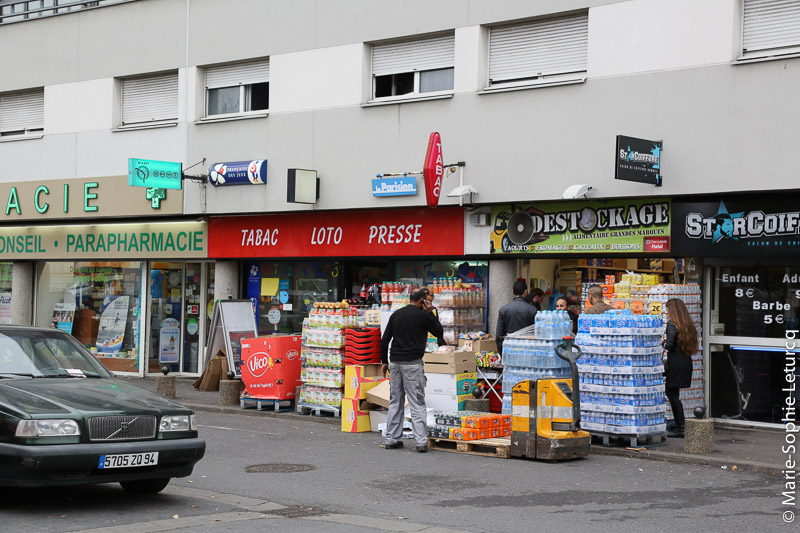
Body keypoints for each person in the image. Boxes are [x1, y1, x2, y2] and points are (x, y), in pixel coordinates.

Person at [380, 288, 444, 453]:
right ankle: (421, 442)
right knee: (417, 402)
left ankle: (391, 439)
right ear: (422, 300)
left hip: (395, 363)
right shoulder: (423, 316)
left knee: (395, 401)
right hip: (412, 364)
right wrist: (430, 314)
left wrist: (384, 361)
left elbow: (385, 340)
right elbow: (439, 332)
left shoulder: (396, 314)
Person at [663, 298, 697, 438]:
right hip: (685, 360)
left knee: (672, 394)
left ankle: (681, 427)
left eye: (668, 309)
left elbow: (669, 345)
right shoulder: (687, 324)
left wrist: (662, 341)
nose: (667, 312)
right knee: (674, 394)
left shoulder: (672, 324)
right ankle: (680, 426)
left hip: (675, 362)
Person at [496, 280, 537, 354]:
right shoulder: (532, 309)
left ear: (512, 291)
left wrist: (502, 353)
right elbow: (536, 333)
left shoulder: (503, 310)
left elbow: (499, 335)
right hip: (527, 349)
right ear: (525, 292)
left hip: (509, 349)